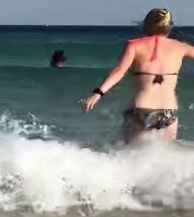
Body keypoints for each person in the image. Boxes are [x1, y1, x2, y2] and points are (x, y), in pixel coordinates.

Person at [83, 8, 194, 143]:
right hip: (168, 111)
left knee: (128, 152)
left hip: (141, 109)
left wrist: (98, 93)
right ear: (169, 25)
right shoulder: (182, 47)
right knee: (166, 154)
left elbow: (119, 71)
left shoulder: (134, 45)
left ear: (146, 24)